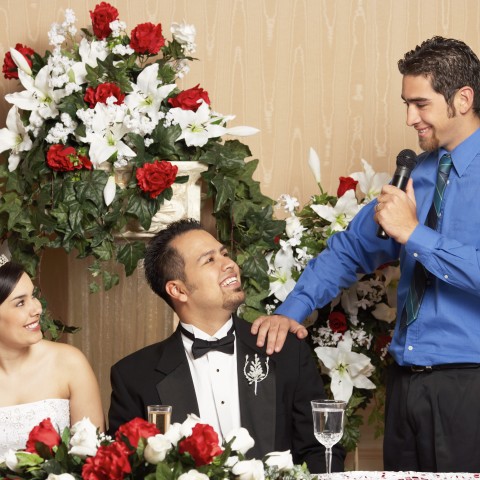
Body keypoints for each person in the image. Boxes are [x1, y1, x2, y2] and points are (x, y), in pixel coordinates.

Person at [252, 36, 480, 473]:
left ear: (463, 99)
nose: (411, 118)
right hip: (405, 385)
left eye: (421, 104)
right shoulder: (417, 174)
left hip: (469, 386)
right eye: (405, 104)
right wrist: (292, 310)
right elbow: (352, 249)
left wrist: (414, 233)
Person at [107, 219, 344, 473]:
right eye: (209, 260)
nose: (229, 264)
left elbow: (322, 450)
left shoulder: (284, 350)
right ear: (178, 290)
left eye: (225, 254)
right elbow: (127, 470)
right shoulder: (134, 377)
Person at [0, 256, 104, 455]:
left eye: (33, 296)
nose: (37, 309)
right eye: (20, 303)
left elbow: (94, 460)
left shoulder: (70, 363)